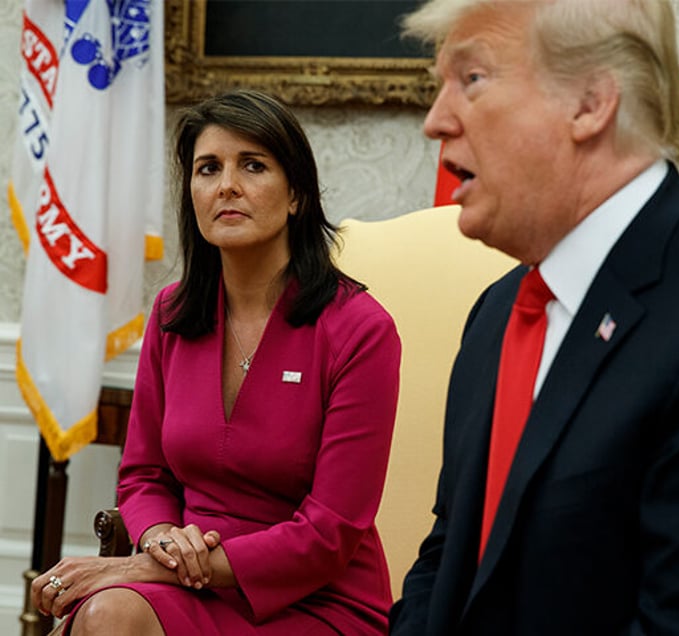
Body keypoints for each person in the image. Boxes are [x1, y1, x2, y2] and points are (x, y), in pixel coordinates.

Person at [390, 1, 679, 634]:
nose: (435, 122)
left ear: (589, 104)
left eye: (472, 80)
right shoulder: (499, 312)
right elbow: (448, 559)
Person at [32, 89, 402, 635]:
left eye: (252, 165)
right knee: (103, 612)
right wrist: (159, 540)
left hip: (316, 601)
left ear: (297, 193)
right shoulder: (172, 314)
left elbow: (329, 535)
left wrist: (144, 566)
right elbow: (144, 474)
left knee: (106, 610)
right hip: (187, 583)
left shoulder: (361, 330)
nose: (226, 184)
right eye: (209, 168)